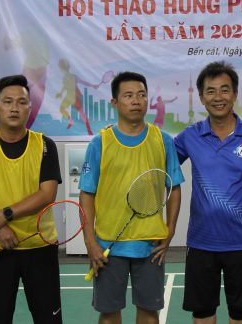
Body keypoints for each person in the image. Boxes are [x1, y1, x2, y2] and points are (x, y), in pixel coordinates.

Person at [79, 71, 183, 324]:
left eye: (141, 95)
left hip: (150, 246)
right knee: (108, 315)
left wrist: (170, 230)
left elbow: (174, 188)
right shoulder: (100, 143)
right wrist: (90, 241)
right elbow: (87, 194)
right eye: (128, 95)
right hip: (108, 245)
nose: (136, 100)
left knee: (149, 314)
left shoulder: (163, 140)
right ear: (114, 102)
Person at [175, 61, 242, 324]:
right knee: (203, 313)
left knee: (240, 314)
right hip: (201, 243)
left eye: (224, 90)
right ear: (201, 97)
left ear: (235, 93)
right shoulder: (190, 136)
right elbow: (162, 166)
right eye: (211, 91)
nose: (218, 97)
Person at [0, 74, 63, 323]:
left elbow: (47, 194)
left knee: (48, 319)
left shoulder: (45, 146)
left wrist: (5, 215)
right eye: (7, 102)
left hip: (39, 247)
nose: (14, 108)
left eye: (21, 102)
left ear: (30, 108)